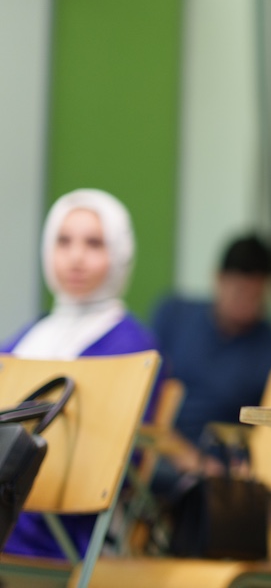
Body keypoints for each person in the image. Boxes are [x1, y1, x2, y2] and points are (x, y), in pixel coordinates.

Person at [0, 188, 160, 559]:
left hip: (57, 526)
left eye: (94, 244)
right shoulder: (31, 335)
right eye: (63, 241)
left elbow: (118, 463)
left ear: (121, 253)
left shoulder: (133, 346)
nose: (75, 257)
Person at [152, 233, 271, 477]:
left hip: (220, 471)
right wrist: (182, 454)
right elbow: (143, 398)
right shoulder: (174, 315)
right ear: (218, 279)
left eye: (256, 296)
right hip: (157, 449)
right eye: (239, 291)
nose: (246, 303)